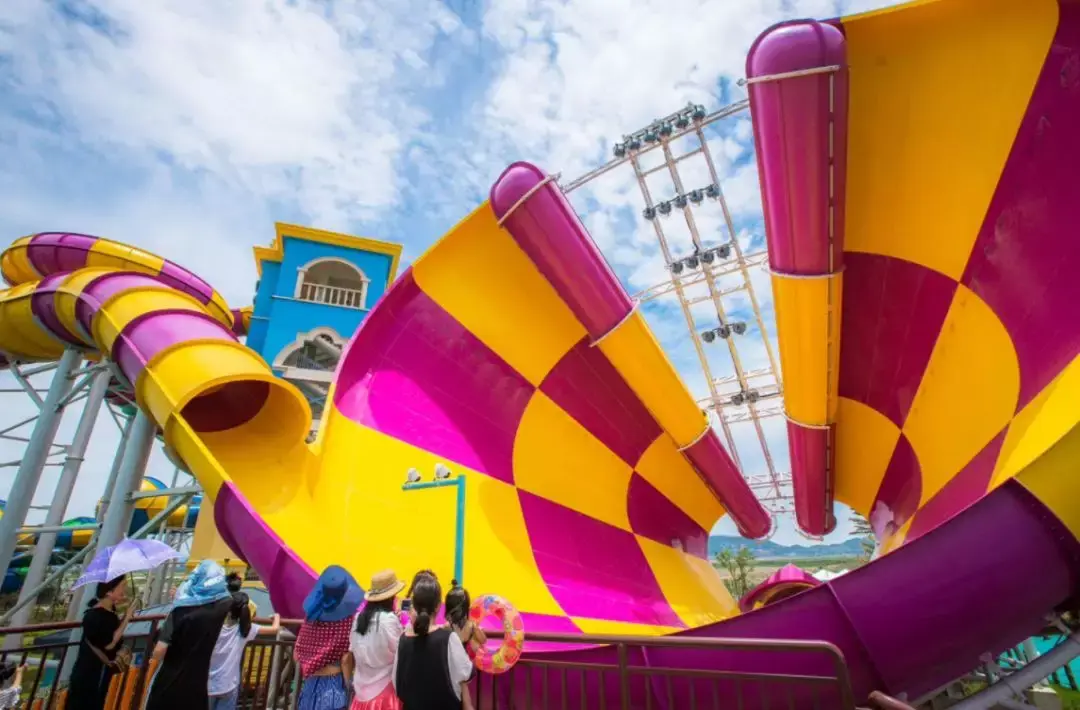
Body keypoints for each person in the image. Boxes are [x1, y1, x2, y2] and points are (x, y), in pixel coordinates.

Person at [145, 560, 234, 710]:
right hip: (197, 684)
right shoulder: (221, 608)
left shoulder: (179, 612)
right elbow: (227, 595)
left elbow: (160, 650)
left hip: (169, 682)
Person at [393, 577, 475, 710]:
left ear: (414, 605)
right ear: (438, 606)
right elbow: (466, 674)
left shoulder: (403, 640)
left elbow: (397, 684)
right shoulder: (449, 639)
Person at [294, 565, 365, 710]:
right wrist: (348, 686)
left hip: (310, 686)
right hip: (333, 687)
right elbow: (345, 660)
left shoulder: (311, 617)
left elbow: (297, 654)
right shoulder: (346, 621)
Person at [66, 577, 138, 710]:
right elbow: (109, 644)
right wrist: (127, 617)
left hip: (97, 672)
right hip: (92, 674)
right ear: (109, 592)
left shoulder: (108, 613)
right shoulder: (96, 616)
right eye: (122, 586)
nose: (124, 590)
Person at [343, 570, 406, 710]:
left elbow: (352, 650)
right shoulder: (389, 620)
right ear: (391, 597)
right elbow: (400, 651)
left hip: (361, 693)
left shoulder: (359, 619)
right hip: (385, 693)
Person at [208, 593, 281, 709]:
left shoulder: (214, 627)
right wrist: (277, 617)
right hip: (229, 684)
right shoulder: (246, 630)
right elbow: (275, 629)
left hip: (209, 683)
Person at [445, 580, 486, 661]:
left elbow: (483, 640)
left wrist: (476, 629)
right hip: (458, 665)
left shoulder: (471, 626)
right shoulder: (447, 627)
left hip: (464, 664)